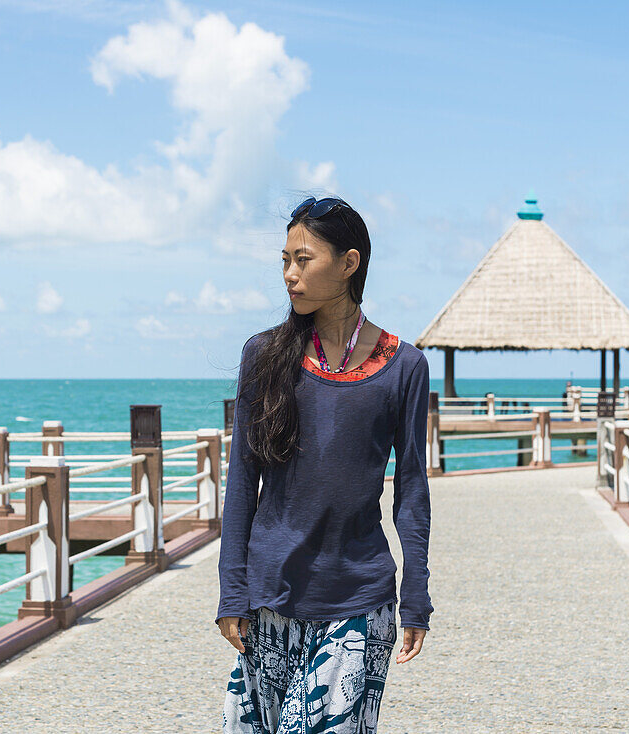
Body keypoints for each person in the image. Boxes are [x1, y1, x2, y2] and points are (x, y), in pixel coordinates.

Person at [217, 196, 433, 733]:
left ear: (349, 263)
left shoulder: (405, 366)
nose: (290, 274)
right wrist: (231, 589)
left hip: (358, 597)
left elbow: (411, 487)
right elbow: (242, 482)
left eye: (304, 259)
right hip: (271, 595)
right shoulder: (264, 355)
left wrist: (416, 593)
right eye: (284, 260)